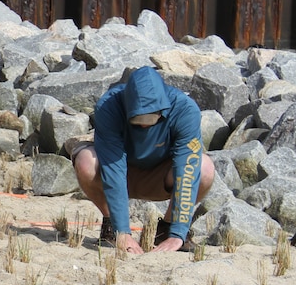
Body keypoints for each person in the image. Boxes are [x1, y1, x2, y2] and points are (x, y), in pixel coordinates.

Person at [71, 65, 216, 254]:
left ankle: (168, 229)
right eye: (137, 123)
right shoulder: (109, 107)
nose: (144, 128)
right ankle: (111, 227)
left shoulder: (185, 110)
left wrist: (178, 233)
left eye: (150, 122)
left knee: (204, 168)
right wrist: (122, 230)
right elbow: (113, 168)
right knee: (85, 161)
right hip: (118, 173)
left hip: (162, 177)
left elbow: (186, 171)